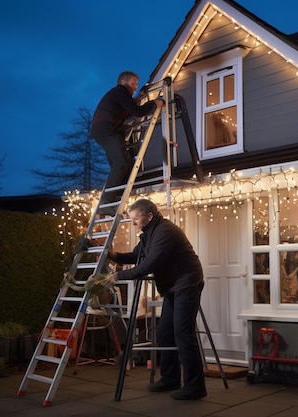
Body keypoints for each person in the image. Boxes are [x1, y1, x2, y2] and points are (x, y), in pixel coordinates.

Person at [106, 198, 207, 400]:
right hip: (172, 287)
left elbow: (149, 264)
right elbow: (136, 256)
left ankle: (195, 387)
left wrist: (118, 276)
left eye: (136, 219)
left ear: (149, 216)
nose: (133, 223)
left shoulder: (164, 231)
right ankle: (170, 379)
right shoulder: (149, 234)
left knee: (183, 334)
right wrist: (113, 255)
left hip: (187, 283)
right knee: (164, 332)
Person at [90, 71, 165, 215]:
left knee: (119, 166)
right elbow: (136, 111)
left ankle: (112, 200)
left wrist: (138, 101)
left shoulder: (118, 96)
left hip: (105, 130)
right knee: (122, 163)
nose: (135, 87)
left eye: (136, 84)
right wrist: (154, 103)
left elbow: (129, 111)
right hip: (108, 130)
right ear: (123, 82)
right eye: (133, 83)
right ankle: (107, 203)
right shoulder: (120, 91)